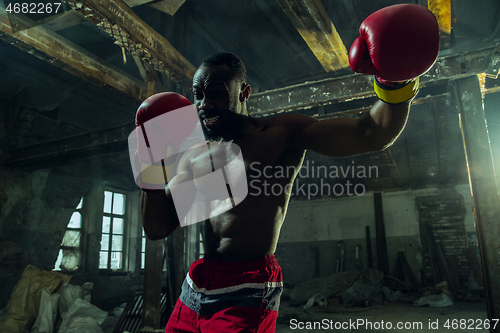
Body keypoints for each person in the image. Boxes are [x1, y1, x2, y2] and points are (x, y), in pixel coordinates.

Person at [137, 5, 439, 332]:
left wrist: (395, 83)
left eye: (216, 94)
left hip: (248, 287)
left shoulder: (279, 135)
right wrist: (150, 164)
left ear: (244, 93)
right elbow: (156, 228)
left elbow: (371, 133)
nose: (204, 104)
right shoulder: (195, 156)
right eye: (197, 95)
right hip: (197, 284)